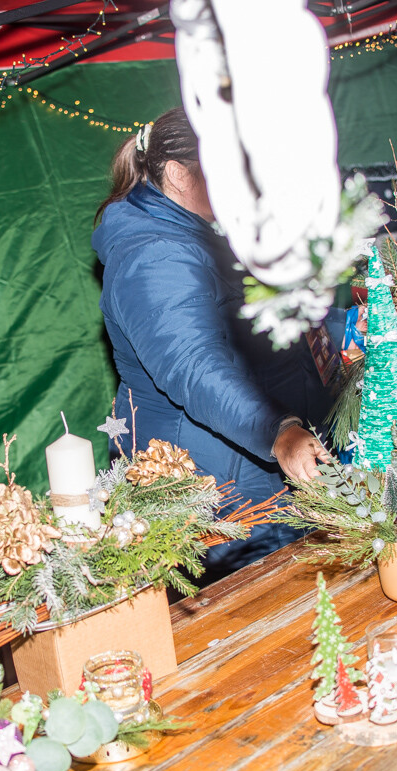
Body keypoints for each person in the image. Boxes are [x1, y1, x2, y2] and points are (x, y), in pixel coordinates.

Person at [92, 107, 339, 576]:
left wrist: (350, 326)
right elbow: (194, 365)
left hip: (247, 472)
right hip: (213, 491)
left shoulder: (196, 228)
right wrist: (277, 431)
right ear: (178, 174)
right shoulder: (154, 256)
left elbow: (263, 319)